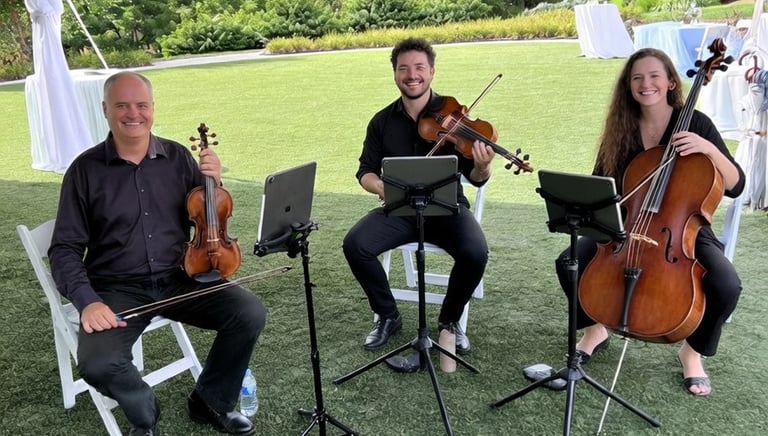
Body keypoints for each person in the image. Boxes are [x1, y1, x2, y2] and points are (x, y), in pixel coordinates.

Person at [48, 71, 266, 435]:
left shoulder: (179, 157)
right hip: (117, 288)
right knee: (99, 363)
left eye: (141, 105)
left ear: (152, 109)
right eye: (122, 105)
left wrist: (213, 180)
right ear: (105, 110)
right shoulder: (84, 171)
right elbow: (64, 248)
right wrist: (88, 301)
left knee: (249, 312)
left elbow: (207, 214)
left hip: (180, 275)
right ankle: (145, 414)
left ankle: (210, 401)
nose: (133, 113)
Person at [555, 48, 745, 396]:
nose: (646, 84)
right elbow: (600, 181)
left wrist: (708, 149)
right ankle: (595, 328)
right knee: (570, 261)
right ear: (628, 85)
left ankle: (693, 352)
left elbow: (736, 184)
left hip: (682, 229)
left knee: (726, 284)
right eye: (637, 77)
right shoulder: (621, 128)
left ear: (671, 81)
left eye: (655, 75)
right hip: (628, 225)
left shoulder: (697, 124)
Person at [342, 37, 494, 371]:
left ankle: (449, 323)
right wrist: (380, 185)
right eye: (404, 69)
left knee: (475, 253)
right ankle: (388, 314)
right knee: (356, 245)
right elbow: (364, 170)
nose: (412, 75)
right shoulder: (381, 121)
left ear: (432, 72)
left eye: (419, 68)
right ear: (395, 73)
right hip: (400, 209)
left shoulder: (456, 118)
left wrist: (482, 165)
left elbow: (477, 176)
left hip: (447, 208)